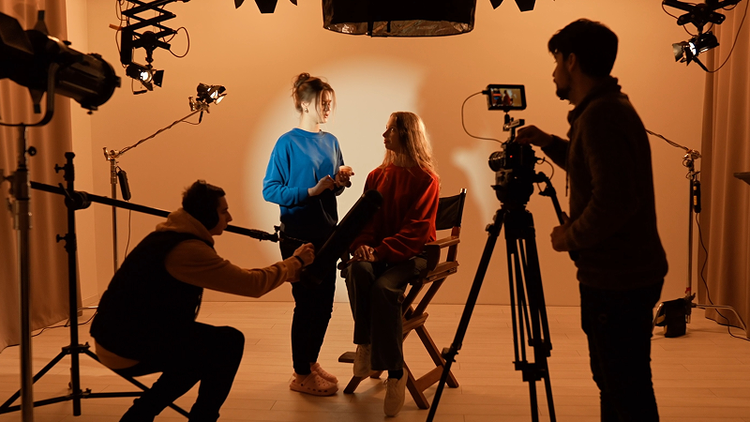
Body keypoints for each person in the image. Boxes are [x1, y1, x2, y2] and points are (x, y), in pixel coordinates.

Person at [515, 19, 669, 422]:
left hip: (619, 279)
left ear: (572, 61)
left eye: (556, 61)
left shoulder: (602, 116)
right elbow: (592, 169)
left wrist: (568, 237)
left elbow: (614, 201)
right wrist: (548, 142)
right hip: (625, 274)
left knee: (625, 387)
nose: (553, 72)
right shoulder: (604, 110)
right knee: (617, 381)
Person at [90, 180, 315, 422]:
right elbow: (252, 284)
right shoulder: (186, 249)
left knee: (203, 352)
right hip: (123, 346)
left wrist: (286, 271)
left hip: (123, 336)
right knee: (227, 344)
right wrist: (295, 262)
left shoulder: (172, 237)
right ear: (206, 215)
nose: (230, 217)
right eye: (223, 211)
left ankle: (139, 416)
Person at [262, 73, 353, 396]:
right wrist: (311, 191)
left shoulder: (332, 141)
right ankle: (300, 373)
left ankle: (310, 362)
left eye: (330, 103)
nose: (328, 108)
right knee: (306, 305)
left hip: (328, 234)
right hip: (298, 237)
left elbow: (333, 190)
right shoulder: (286, 143)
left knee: (324, 305)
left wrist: (340, 182)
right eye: (322, 102)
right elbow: (271, 190)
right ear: (303, 104)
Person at [344, 111, 440, 417]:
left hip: (413, 256)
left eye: (390, 130)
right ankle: (365, 344)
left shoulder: (427, 179)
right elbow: (365, 222)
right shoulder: (377, 176)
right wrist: (363, 248)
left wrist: (379, 252)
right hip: (379, 253)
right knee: (356, 269)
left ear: (407, 134)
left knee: (384, 289)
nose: (384, 136)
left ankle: (396, 374)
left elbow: (416, 231)